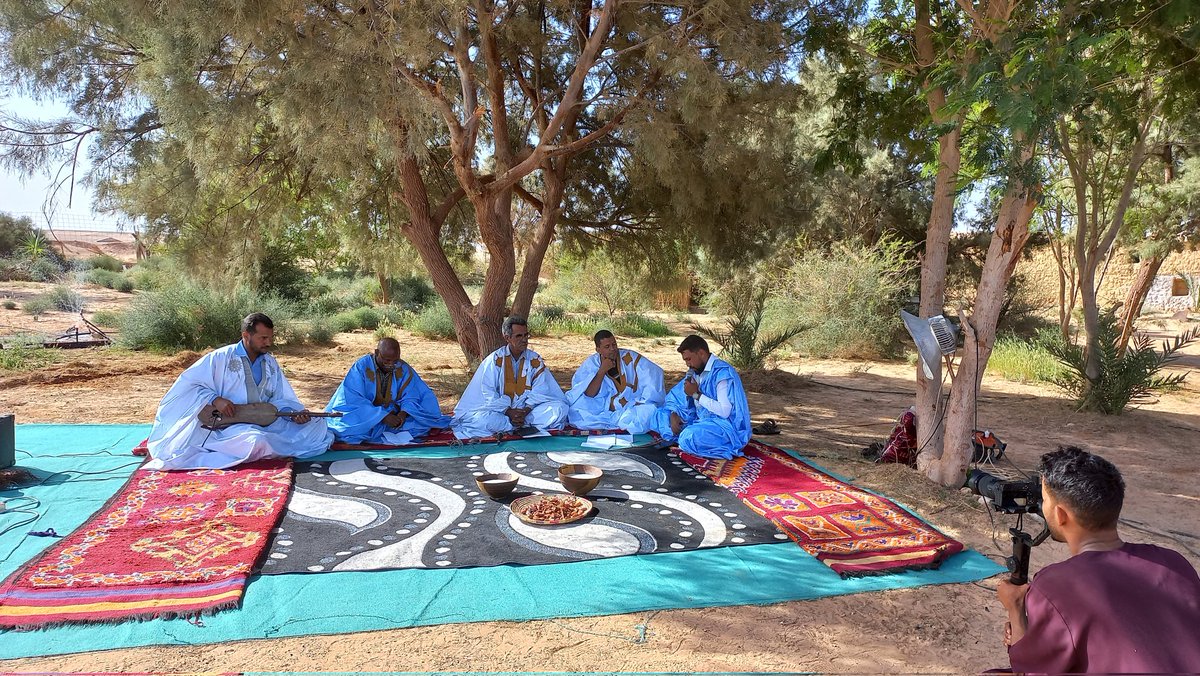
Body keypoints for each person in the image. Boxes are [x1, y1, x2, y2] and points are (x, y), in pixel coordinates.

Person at [997, 446, 1200, 673]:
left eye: (1044, 500)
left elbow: (1030, 671)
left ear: (1061, 515)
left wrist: (1015, 608)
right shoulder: (1174, 562)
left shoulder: (1056, 585)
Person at [144, 313, 333, 470]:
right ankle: (228, 447)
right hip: (229, 427)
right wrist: (215, 399)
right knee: (255, 441)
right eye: (263, 338)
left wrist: (294, 414)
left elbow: (281, 399)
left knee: (318, 426)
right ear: (246, 335)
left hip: (266, 422)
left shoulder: (270, 363)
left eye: (270, 337)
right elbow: (186, 387)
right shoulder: (220, 358)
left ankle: (269, 444)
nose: (268, 343)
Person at [452, 316, 568, 437]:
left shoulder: (535, 359)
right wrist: (508, 412)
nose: (524, 340)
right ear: (507, 338)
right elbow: (488, 392)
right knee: (484, 419)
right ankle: (514, 425)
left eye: (526, 335)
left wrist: (525, 411)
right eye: (519, 336)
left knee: (560, 409)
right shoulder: (495, 360)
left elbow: (541, 389)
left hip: (527, 413)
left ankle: (515, 425)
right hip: (501, 412)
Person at [325, 337, 450, 444]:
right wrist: (382, 416)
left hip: (393, 414)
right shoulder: (361, 366)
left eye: (395, 361)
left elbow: (412, 394)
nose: (391, 365)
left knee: (422, 426)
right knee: (346, 432)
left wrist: (403, 413)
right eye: (386, 360)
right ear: (377, 352)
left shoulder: (402, 367)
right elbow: (352, 398)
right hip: (364, 415)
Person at [648, 334, 751, 459]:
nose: (687, 364)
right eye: (685, 360)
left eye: (689, 359)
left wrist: (696, 395)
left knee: (688, 437)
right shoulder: (696, 371)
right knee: (659, 415)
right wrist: (673, 414)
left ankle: (693, 440)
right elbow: (676, 396)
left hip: (724, 427)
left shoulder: (722, 373)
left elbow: (724, 411)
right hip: (702, 421)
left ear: (701, 353)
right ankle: (686, 437)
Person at [566, 330, 665, 433]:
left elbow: (653, 374)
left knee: (649, 411)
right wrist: (602, 371)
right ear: (598, 349)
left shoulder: (629, 357)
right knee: (576, 410)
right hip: (603, 409)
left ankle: (624, 422)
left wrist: (643, 401)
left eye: (614, 344)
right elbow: (589, 394)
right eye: (607, 347)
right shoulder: (591, 364)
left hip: (631, 406)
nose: (612, 349)